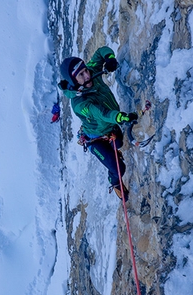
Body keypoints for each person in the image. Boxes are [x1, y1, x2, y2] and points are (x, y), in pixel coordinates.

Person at [58, 46, 137, 200]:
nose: (87, 75)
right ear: (74, 81)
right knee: (119, 168)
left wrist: (109, 58)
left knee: (118, 143)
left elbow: (101, 51)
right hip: (96, 138)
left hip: (110, 127)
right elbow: (101, 113)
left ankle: (112, 153)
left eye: (85, 70)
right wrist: (121, 117)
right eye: (81, 75)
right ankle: (114, 182)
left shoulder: (92, 72)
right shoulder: (80, 104)